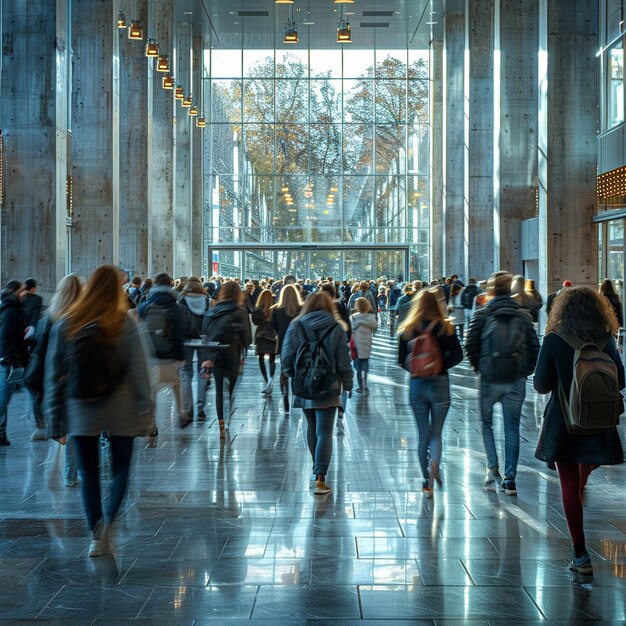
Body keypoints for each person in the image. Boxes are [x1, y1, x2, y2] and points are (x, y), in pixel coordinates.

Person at [44, 265, 153, 557]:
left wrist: (54, 418)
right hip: (122, 409)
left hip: (81, 410)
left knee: (89, 473)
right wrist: (147, 413)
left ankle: (96, 534)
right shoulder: (126, 323)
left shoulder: (67, 322)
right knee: (120, 472)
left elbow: (53, 374)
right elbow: (140, 371)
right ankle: (109, 528)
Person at [534, 286, 624, 574]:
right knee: (581, 476)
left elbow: (541, 384)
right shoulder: (605, 338)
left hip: (565, 421)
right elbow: (620, 379)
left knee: (568, 485)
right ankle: (583, 488)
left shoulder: (554, 338)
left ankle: (581, 554)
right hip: (598, 420)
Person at [465, 271, 540, 496]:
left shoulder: (482, 315)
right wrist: (525, 371)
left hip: (489, 379)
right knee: (512, 429)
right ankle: (510, 479)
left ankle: (492, 466)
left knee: (487, 425)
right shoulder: (524, 317)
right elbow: (535, 347)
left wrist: (480, 368)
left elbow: (469, 345)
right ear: (511, 290)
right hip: (515, 379)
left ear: (491, 290)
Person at [281, 291, 353, 495]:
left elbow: (286, 356)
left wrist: (294, 375)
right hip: (328, 385)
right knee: (324, 431)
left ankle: (316, 469)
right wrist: (347, 383)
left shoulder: (296, 325)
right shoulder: (336, 327)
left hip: (304, 385)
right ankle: (320, 476)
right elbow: (343, 360)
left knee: (311, 426)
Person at [397, 288, 463, 496]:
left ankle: (426, 482)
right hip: (440, 382)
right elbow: (459, 355)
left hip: (417, 385)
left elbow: (401, 359)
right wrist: (440, 365)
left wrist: (417, 369)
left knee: (422, 435)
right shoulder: (446, 327)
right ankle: (434, 464)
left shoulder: (408, 328)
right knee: (436, 433)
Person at [26, 274, 82, 482]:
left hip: (49, 379)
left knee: (62, 425)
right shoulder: (78, 319)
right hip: (70, 379)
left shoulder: (46, 317)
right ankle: (71, 473)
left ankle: (64, 471)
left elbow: (36, 350)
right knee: (74, 427)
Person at [201, 281, 251, 439]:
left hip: (215, 356)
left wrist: (208, 357)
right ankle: (227, 421)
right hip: (233, 354)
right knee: (230, 390)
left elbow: (205, 335)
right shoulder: (241, 312)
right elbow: (247, 338)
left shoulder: (212, 311)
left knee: (219, 390)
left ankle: (221, 424)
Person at [138, 272, 188, 427]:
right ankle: (181, 412)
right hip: (169, 353)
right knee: (176, 384)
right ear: (170, 285)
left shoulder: (146, 305)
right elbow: (178, 334)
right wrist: (180, 355)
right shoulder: (175, 306)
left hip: (150, 353)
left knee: (152, 389)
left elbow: (138, 328)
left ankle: (152, 421)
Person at [177, 278, 211, 421]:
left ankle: (188, 408)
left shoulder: (181, 302)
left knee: (186, 374)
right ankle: (200, 408)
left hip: (186, 341)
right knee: (203, 373)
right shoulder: (207, 301)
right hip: (204, 340)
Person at [0, 281, 29, 446]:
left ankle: (1, 435)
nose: (25, 293)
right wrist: (11, 360)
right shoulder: (11, 312)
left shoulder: (11, 309)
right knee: (2, 401)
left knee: (3, 401)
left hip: (8, 361)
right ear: (14, 291)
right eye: (22, 290)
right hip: (7, 363)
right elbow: (6, 338)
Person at [271, 284, 302, 413]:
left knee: (284, 371)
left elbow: (274, 326)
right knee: (298, 369)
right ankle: (297, 395)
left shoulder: (276, 310)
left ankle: (285, 398)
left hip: (283, 343)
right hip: (299, 343)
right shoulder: (301, 309)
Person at [251, 289, 278, 395]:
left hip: (261, 335)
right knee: (272, 358)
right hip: (272, 335)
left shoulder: (258, 309)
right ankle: (271, 378)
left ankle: (266, 380)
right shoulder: (275, 309)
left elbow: (255, 322)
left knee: (261, 358)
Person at [350, 297, 377, 394]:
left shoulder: (354, 317)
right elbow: (374, 328)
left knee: (357, 367)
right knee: (365, 364)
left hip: (357, 345)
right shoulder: (371, 317)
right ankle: (365, 384)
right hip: (367, 344)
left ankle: (360, 386)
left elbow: (351, 328)